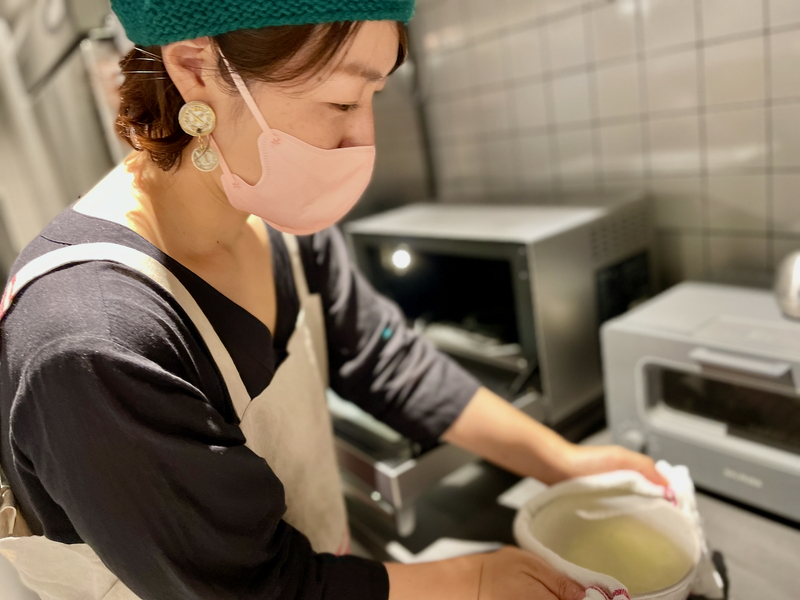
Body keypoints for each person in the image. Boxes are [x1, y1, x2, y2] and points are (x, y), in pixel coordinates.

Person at [0, 1, 667, 599]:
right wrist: (475, 580)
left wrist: (563, 462)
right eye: (342, 102)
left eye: (374, 96)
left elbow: (387, 360)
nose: (362, 140)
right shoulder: (92, 338)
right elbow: (251, 586)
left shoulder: (277, 223)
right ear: (197, 69)